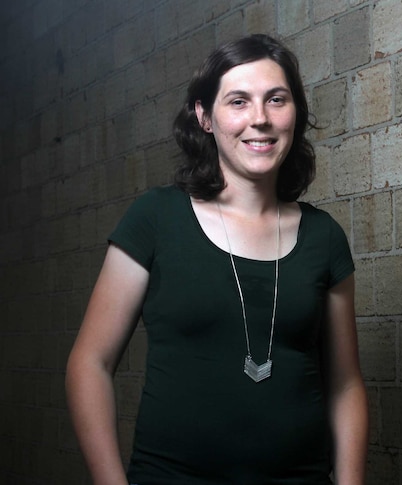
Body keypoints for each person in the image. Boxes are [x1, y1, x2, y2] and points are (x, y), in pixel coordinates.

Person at [66, 34, 368, 484]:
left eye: (276, 100)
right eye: (238, 102)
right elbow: (89, 363)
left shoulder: (324, 236)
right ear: (205, 117)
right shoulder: (155, 218)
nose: (260, 119)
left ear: (295, 113)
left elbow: (345, 386)